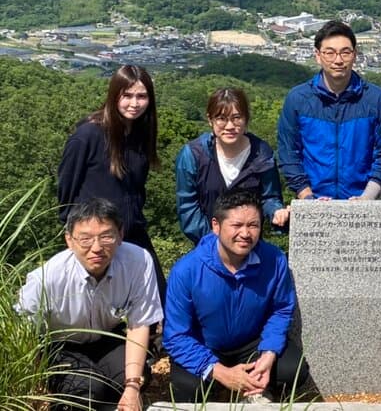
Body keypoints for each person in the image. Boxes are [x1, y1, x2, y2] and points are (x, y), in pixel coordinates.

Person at [163, 189, 309, 403]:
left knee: (293, 370)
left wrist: (268, 353)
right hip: (204, 343)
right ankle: (218, 387)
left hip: (251, 342)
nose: (245, 234)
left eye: (253, 225)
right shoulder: (186, 270)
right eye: (236, 225)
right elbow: (176, 335)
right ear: (216, 225)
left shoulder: (274, 260)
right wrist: (220, 372)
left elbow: (281, 309)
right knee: (187, 386)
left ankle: (256, 389)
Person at [17, 198, 162, 411]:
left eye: (106, 236)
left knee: (131, 379)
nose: (96, 248)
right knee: (85, 391)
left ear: (120, 235)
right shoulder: (47, 278)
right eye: (85, 239)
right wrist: (37, 380)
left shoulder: (138, 261)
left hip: (108, 337)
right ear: (69, 240)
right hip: (62, 344)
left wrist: (132, 387)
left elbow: (139, 323)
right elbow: (25, 335)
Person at [58, 64, 165, 303]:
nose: (134, 103)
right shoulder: (88, 135)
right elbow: (66, 189)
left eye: (141, 96)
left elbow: (136, 189)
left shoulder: (140, 134)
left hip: (132, 231)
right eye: (126, 95)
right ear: (114, 95)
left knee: (160, 299)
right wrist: (76, 236)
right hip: (95, 236)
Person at [277, 19, 381, 200]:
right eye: (329, 53)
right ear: (318, 55)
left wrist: (367, 197)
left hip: (363, 200)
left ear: (355, 54)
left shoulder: (374, 98)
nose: (338, 60)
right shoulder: (298, 99)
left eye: (345, 52)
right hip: (314, 199)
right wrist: (306, 195)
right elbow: (288, 151)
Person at [176, 87, 289, 245]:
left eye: (236, 118)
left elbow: (269, 197)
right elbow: (188, 208)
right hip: (207, 247)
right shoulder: (193, 155)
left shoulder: (262, 154)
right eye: (221, 118)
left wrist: (276, 212)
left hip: (248, 245)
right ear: (210, 120)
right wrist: (216, 242)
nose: (229, 126)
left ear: (246, 119)